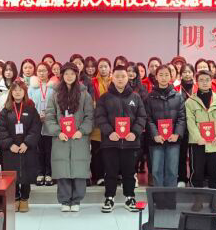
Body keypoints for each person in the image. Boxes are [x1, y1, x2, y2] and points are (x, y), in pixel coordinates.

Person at [95, 65, 147, 212]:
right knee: (110, 171)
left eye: (123, 76)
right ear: (112, 78)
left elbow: (142, 116)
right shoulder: (105, 98)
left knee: (129, 172)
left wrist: (135, 133)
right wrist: (109, 132)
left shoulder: (135, 97)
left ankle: (129, 197)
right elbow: (100, 117)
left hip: (130, 143)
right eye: (117, 76)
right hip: (110, 142)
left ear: (127, 78)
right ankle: (109, 198)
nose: (120, 79)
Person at [44, 63, 94, 212]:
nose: (69, 76)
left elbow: (90, 116)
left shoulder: (84, 94)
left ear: (77, 75)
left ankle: (77, 200)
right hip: (61, 137)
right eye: (66, 74)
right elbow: (49, 116)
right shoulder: (55, 94)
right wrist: (58, 132)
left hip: (79, 138)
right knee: (63, 168)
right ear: (62, 76)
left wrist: (82, 131)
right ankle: (65, 201)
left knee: (79, 169)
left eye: (72, 74)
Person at [0, 79, 41, 213]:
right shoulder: (5, 111)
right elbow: (2, 129)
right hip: (11, 149)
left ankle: (24, 199)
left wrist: (27, 143)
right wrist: (10, 144)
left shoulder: (31, 109)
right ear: (11, 92)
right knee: (12, 175)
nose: (17, 92)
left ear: (24, 92)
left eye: (20, 90)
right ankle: (15, 198)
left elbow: (35, 128)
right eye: (15, 90)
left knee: (27, 174)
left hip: (27, 148)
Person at [185, 70, 216, 189]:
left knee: (215, 173)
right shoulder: (190, 102)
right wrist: (198, 138)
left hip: (215, 142)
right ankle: (197, 198)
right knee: (197, 173)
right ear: (196, 82)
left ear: (211, 82)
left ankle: (214, 199)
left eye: (207, 80)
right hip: (197, 143)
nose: (204, 83)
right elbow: (190, 122)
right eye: (201, 80)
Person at [146, 65, 186, 188]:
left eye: (166, 75)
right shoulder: (149, 97)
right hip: (156, 140)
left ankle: (170, 197)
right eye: (161, 75)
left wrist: (177, 134)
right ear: (156, 77)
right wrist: (155, 135)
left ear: (171, 76)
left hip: (173, 140)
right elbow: (148, 118)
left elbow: (182, 117)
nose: (163, 78)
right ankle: (158, 198)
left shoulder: (178, 96)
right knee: (156, 171)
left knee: (172, 171)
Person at [28, 62, 55, 186]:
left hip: (50, 123)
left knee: (49, 150)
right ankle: (39, 173)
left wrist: (47, 116)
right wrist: (37, 117)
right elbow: (29, 105)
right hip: (36, 122)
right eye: (39, 71)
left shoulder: (53, 88)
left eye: (44, 70)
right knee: (38, 150)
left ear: (48, 72)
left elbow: (56, 106)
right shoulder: (32, 88)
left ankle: (49, 173)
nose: (42, 73)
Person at [90, 57, 112, 187]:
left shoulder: (114, 81)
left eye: (105, 66)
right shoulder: (92, 82)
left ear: (110, 68)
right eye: (101, 67)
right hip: (97, 120)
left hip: (111, 120)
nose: (103, 69)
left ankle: (109, 175)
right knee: (97, 150)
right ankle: (98, 176)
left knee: (109, 151)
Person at [176, 64, 196, 186]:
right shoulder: (176, 88)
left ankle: (194, 177)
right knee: (182, 154)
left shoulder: (198, 87)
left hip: (196, 126)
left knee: (195, 154)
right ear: (180, 74)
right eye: (184, 72)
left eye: (189, 72)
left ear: (193, 73)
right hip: (181, 125)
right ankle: (182, 178)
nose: (187, 74)